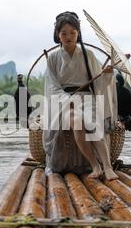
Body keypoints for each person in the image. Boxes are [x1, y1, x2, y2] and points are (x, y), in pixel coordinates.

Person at [43, 11, 118, 181]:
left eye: (72, 32)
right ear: (57, 35)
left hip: (87, 98)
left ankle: (107, 167)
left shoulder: (88, 54)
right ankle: (95, 166)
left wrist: (106, 75)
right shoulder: (53, 58)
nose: (68, 36)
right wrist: (66, 100)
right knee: (76, 120)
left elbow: (97, 82)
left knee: (90, 120)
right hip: (62, 100)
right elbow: (52, 86)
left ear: (78, 33)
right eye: (64, 33)